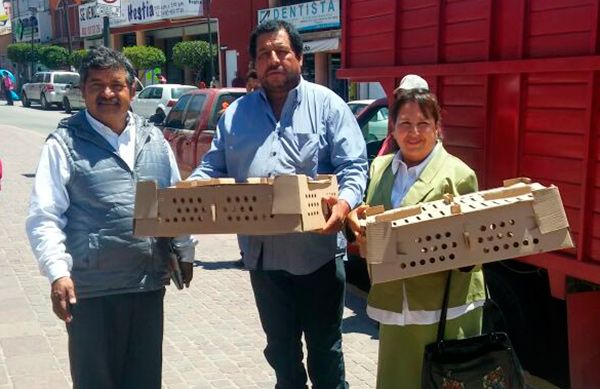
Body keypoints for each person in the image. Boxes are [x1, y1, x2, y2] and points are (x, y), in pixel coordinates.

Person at [189, 19, 368, 389]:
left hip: (317, 253)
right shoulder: (236, 115)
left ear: (299, 58)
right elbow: (213, 165)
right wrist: (189, 190)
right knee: (281, 352)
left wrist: (346, 204)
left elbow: (354, 167)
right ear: (254, 63)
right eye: (264, 54)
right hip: (263, 257)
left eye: (282, 51)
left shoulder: (328, 106)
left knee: (325, 352)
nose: (274, 60)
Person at [25, 46, 196, 389]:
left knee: (144, 381)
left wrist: (184, 251)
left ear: (132, 89)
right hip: (91, 292)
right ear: (82, 91)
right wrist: (58, 273)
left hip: (147, 285)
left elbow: (176, 203)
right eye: (95, 85)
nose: (107, 93)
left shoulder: (155, 141)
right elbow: (44, 215)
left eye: (116, 85)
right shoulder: (64, 144)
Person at [347, 75, 486, 389]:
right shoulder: (380, 168)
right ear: (392, 127)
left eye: (423, 123)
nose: (413, 133)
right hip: (396, 299)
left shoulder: (459, 174)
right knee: (398, 380)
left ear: (437, 127)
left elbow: (475, 252)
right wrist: (357, 225)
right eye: (405, 123)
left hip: (445, 306)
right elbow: (374, 222)